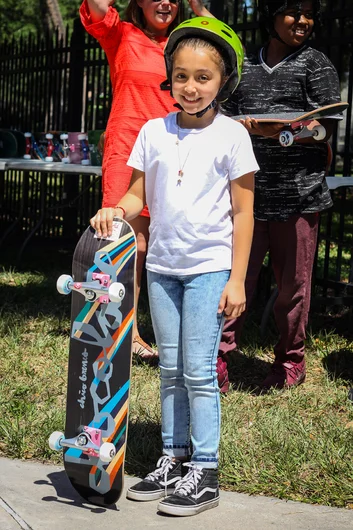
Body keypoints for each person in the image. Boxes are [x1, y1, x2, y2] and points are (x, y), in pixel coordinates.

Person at [91, 17, 258, 516]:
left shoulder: (232, 136)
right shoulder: (152, 131)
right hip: (162, 268)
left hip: (209, 269)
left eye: (202, 77)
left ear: (224, 80)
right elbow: (139, 194)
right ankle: (173, 457)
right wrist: (116, 209)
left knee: (199, 372)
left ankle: (204, 470)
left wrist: (237, 279)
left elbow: (245, 211)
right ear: (169, 76)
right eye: (181, 75)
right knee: (169, 369)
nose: (190, 87)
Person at [80, 0, 213, 360]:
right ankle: (126, 333)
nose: (165, 3)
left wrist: (200, 8)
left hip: (176, 149)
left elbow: (226, 50)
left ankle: (177, 334)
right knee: (129, 245)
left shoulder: (187, 43)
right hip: (127, 146)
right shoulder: (120, 34)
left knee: (169, 243)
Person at [220, 0, 342, 390]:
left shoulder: (316, 64)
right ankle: (218, 358)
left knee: (292, 290)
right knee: (234, 281)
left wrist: (284, 132)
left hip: (300, 198)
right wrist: (246, 131)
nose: (302, 21)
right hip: (245, 200)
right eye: (293, 11)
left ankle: (290, 362)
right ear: (270, 16)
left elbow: (326, 127)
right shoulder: (244, 68)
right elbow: (222, 119)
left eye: (309, 14)